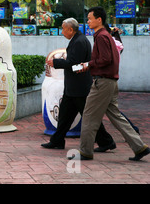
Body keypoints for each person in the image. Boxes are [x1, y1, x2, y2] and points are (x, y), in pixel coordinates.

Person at [73, 7, 149, 161]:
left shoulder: (101, 36)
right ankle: (139, 147)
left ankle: (85, 151)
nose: (87, 22)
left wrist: (88, 65)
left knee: (88, 115)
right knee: (116, 116)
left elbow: (105, 59)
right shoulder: (105, 35)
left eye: (89, 18)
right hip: (110, 82)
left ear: (99, 20)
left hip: (103, 82)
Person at [41, 18, 115, 151]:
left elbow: (74, 64)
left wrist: (56, 63)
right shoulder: (78, 40)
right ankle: (57, 140)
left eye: (64, 29)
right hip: (73, 88)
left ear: (71, 29)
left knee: (89, 117)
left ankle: (106, 141)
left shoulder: (79, 42)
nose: (62, 31)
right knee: (64, 116)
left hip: (79, 88)